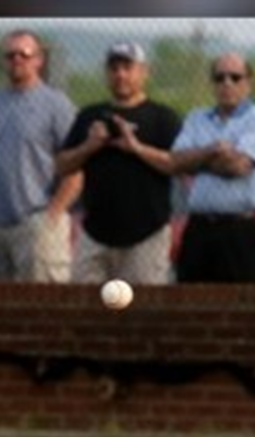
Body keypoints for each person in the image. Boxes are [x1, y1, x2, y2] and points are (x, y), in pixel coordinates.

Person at [0, 29, 83, 282]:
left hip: (36, 220)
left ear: (39, 60)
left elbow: (76, 167)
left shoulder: (57, 105)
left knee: (41, 303)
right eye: (10, 55)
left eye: (24, 54)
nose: (17, 59)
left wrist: (51, 216)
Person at [55, 42, 182, 285]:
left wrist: (136, 147)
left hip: (146, 234)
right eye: (114, 68)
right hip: (95, 233)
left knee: (141, 311)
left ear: (144, 72)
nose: (120, 74)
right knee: (83, 305)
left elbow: (177, 165)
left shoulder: (162, 117)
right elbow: (62, 165)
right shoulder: (90, 116)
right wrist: (89, 146)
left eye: (127, 67)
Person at [168, 52, 255, 283]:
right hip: (198, 229)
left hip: (240, 231)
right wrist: (212, 151)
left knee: (245, 307)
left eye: (235, 77)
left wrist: (198, 161)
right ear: (213, 83)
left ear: (249, 82)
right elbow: (176, 161)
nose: (227, 83)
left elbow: (240, 166)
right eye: (220, 78)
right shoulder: (196, 118)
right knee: (190, 305)